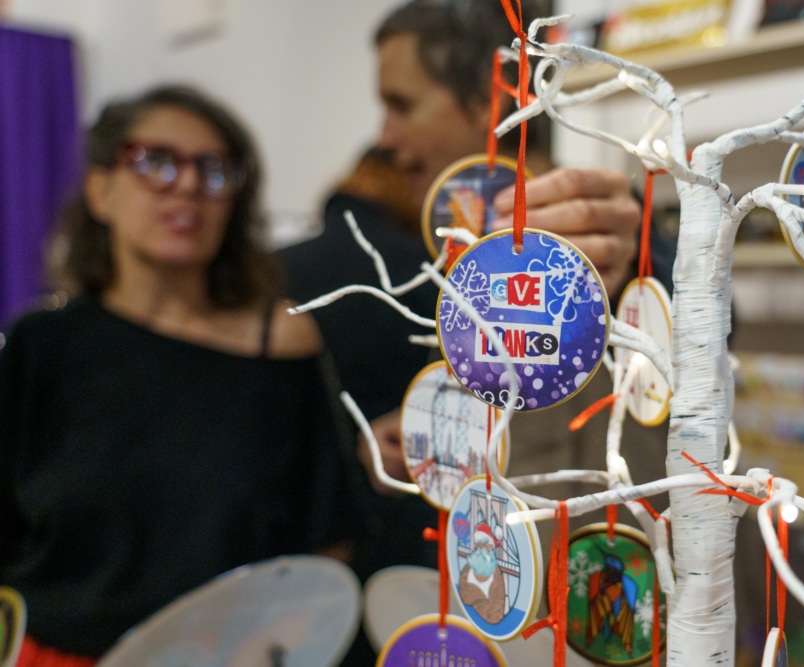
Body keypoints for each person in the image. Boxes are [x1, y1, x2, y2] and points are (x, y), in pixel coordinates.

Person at [281, 0, 676, 595]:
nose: (384, 137)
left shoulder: (620, 235)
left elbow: (705, 337)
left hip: (609, 602)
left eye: (401, 105)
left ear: (487, 99)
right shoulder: (447, 253)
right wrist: (423, 439)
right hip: (489, 597)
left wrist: (629, 260)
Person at [0, 85, 361, 664]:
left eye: (214, 170)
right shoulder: (42, 346)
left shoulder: (279, 343)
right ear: (100, 190)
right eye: (156, 162)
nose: (189, 185)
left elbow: (325, 542)